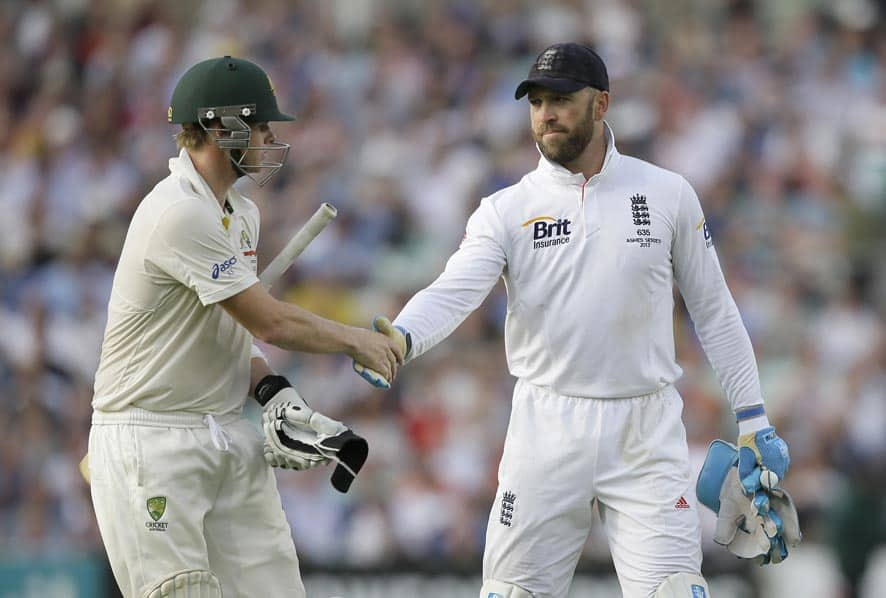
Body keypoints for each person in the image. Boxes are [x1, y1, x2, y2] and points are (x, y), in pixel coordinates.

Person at [358, 43, 790, 598]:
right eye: (536, 102)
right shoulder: (506, 209)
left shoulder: (666, 193)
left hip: (646, 429)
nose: (546, 114)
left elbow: (714, 309)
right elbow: (453, 290)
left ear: (602, 103)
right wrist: (402, 337)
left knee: (676, 592)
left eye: (561, 99)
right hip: (546, 427)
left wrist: (753, 417)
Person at [87, 56, 403, 598]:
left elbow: (229, 331)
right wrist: (358, 340)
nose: (268, 137)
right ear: (219, 126)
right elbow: (270, 321)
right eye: (259, 126)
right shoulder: (177, 213)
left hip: (225, 430)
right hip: (153, 437)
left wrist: (273, 390)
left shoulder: (242, 213)